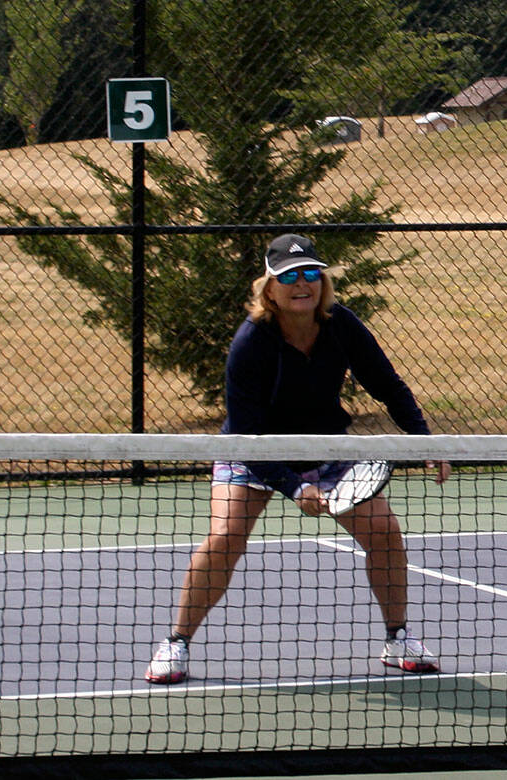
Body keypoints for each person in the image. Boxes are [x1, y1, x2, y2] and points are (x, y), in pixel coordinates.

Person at [144, 233, 451, 684]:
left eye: (311, 273)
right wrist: (293, 486)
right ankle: (176, 643)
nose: (302, 284)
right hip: (252, 452)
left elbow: (387, 384)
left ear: (322, 282)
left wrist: (425, 443)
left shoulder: (342, 324)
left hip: (327, 448)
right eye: (289, 276)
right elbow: (247, 436)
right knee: (225, 538)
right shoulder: (252, 341)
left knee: (385, 532)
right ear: (269, 288)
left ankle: (397, 638)